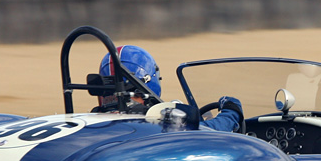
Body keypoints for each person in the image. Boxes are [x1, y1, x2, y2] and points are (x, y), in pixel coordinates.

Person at [95, 45, 243, 132]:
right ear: (151, 78)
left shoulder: (96, 120)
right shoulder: (154, 120)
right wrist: (232, 111)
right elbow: (208, 132)